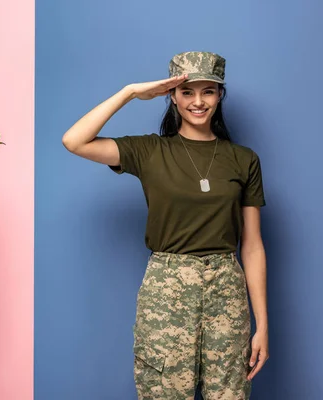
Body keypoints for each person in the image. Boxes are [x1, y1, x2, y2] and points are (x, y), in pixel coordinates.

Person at [62, 51, 269, 399]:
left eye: (208, 91)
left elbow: (251, 246)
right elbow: (74, 140)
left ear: (220, 94)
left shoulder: (243, 159)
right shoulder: (150, 151)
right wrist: (129, 92)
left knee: (231, 393)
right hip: (167, 288)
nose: (198, 101)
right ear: (172, 96)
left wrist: (262, 324)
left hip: (227, 291)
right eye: (187, 91)